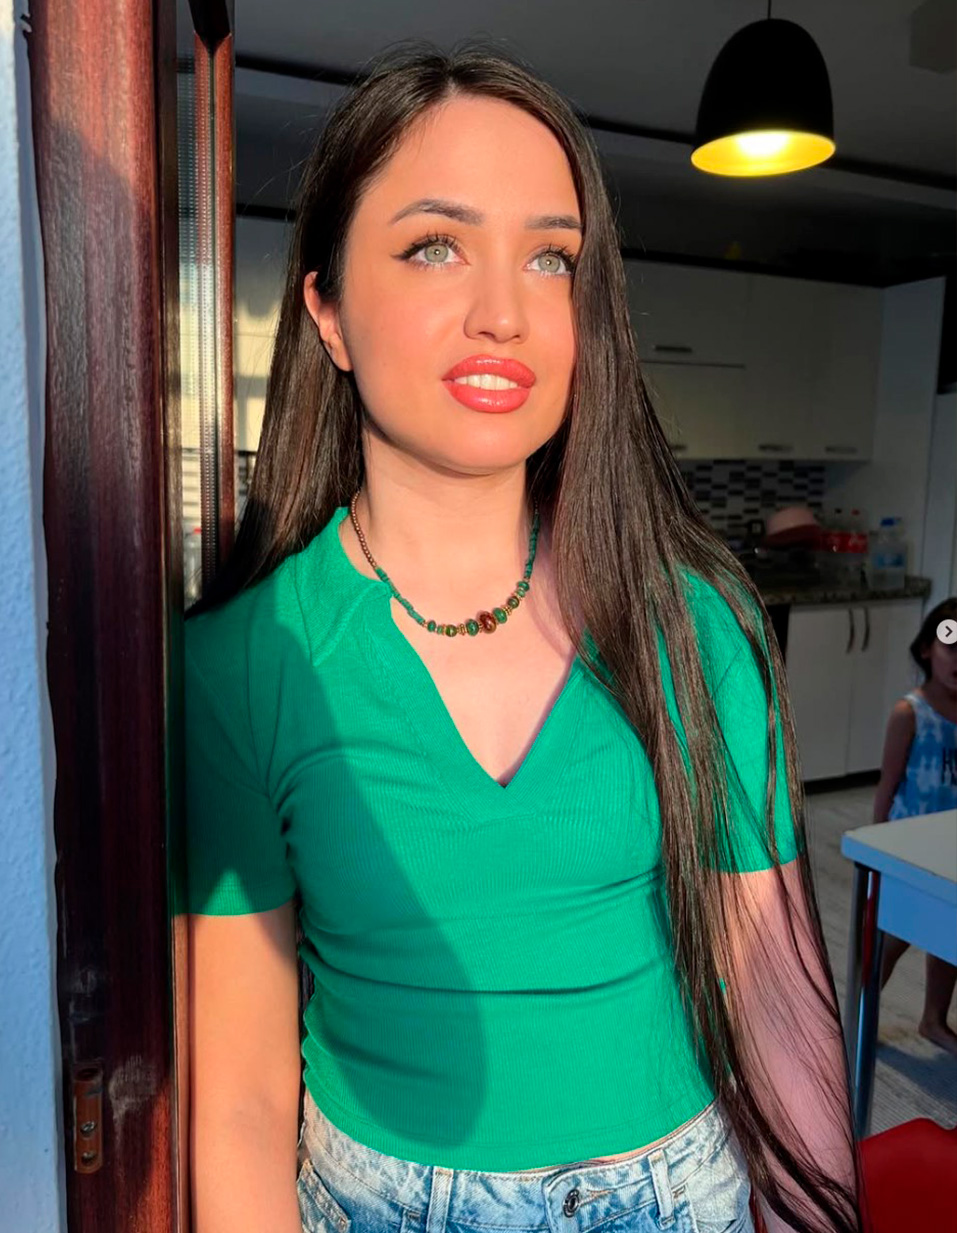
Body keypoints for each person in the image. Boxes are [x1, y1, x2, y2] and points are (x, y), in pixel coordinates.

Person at [183, 41, 863, 1233]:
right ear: (327, 310)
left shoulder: (692, 621)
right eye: (434, 246)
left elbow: (780, 1006)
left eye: (551, 258)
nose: (505, 313)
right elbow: (238, 1097)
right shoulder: (245, 665)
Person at [873, 596, 957, 1056]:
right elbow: (888, 784)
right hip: (908, 852)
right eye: (951, 646)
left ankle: (933, 1020)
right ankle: (859, 1018)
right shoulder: (910, 713)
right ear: (927, 649)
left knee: (950, 939)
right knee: (890, 941)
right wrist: (875, 851)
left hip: (950, 851)